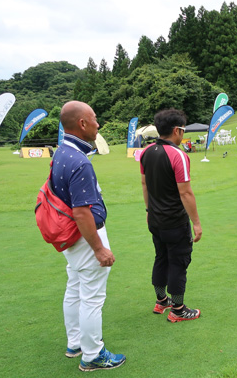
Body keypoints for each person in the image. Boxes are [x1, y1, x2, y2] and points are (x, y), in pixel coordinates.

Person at [52, 101, 125, 371]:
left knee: (74, 288)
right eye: (94, 119)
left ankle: (76, 343)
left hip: (69, 237)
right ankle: (92, 354)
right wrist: (99, 249)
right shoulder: (80, 161)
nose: (98, 124)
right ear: (82, 124)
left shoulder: (62, 151)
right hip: (84, 236)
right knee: (92, 297)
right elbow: (81, 212)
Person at [140, 108, 203, 322]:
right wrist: (196, 223)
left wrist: (149, 211)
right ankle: (178, 308)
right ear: (177, 130)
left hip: (155, 220)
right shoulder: (178, 155)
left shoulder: (146, 152)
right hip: (174, 222)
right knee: (178, 262)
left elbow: (144, 184)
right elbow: (185, 192)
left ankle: (161, 301)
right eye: (183, 130)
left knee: (161, 258)